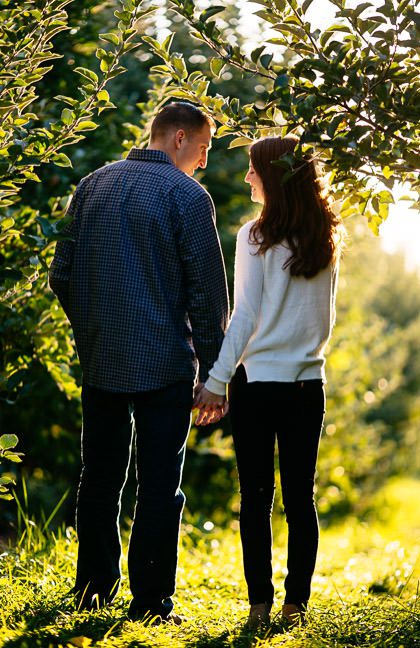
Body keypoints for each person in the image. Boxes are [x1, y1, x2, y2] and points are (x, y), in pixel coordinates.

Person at [49, 102, 230, 623]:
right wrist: (214, 372)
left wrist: (91, 330)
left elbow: (61, 275)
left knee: (99, 479)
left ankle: (91, 591)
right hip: (165, 364)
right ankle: (150, 604)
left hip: (101, 359)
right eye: (203, 148)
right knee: (158, 488)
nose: (202, 161)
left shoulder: (92, 185)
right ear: (179, 138)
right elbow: (207, 295)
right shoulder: (188, 197)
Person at [196, 136, 341, 628]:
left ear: (273, 177)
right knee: (301, 499)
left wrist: (216, 380)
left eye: (253, 169)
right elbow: (324, 318)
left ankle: (259, 606)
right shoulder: (326, 237)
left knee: (256, 499)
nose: (247, 177)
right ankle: (296, 605)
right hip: (307, 384)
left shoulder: (253, 236)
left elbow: (244, 317)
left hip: (256, 384)